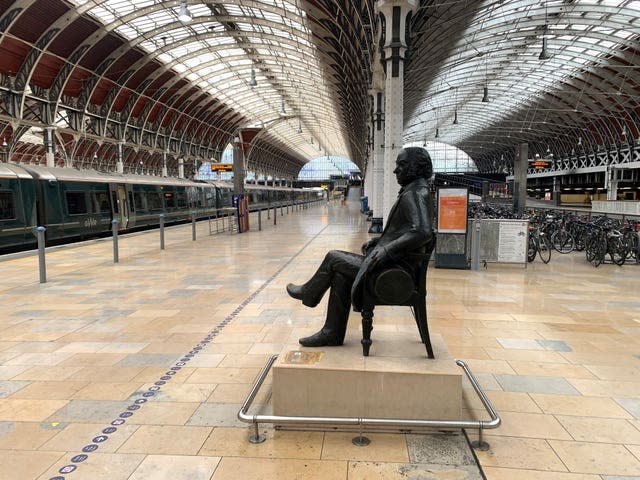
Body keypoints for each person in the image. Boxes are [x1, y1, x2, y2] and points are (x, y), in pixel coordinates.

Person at [286, 147, 436, 347]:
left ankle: (309, 293)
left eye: (401, 165)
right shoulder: (416, 190)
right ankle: (332, 333)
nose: (395, 170)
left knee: (333, 257)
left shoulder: (416, 193)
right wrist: (379, 242)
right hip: (396, 265)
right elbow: (406, 230)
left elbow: (422, 231)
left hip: (394, 271)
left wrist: (386, 250)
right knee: (340, 273)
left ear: (417, 167)